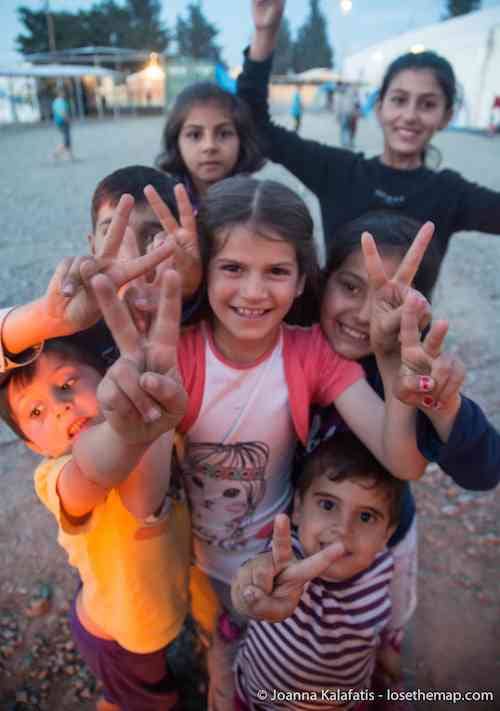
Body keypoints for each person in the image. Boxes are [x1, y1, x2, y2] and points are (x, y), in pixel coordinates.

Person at [168, 175, 434, 709]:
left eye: (276, 272)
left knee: (280, 660)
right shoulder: (178, 352)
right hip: (196, 555)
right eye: (233, 268)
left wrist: (389, 358)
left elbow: (402, 461)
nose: (253, 291)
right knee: (217, 635)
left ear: (300, 281)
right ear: (205, 271)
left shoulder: (311, 354)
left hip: (281, 557)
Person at [315, 210, 500, 688]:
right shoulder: (297, 348)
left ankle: (385, 652)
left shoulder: (407, 371)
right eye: (350, 287)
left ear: (422, 309)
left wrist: (442, 405)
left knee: (382, 627)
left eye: (388, 299)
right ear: (321, 280)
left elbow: (484, 471)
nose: (362, 314)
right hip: (307, 533)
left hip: (388, 544)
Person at [0, 269, 195, 711]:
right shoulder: (56, 477)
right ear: (32, 446)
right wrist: (132, 433)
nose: (61, 405)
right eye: (36, 411)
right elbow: (96, 473)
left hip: (146, 612)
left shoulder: (147, 423)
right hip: (118, 637)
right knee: (145, 701)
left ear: (105, 376)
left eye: (68, 383)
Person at [237, 0, 500, 293]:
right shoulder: (338, 172)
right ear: (379, 107)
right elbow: (255, 124)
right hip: (332, 335)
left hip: (404, 338)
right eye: (399, 100)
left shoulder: (451, 194)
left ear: (446, 117)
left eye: (427, 104)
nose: (410, 116)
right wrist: (265, 31)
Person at [231, 432, 407, 710]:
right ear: (298, 509)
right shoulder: (285, 555)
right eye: (328, 505)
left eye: (365, 516)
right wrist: (253, 588)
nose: (343, 529)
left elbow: (380, 625)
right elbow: (252, 581)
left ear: (387, 535)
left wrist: (387, 654)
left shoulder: (384, 570)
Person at [155, 82, 265, 208]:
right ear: (176, 141)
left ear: (242, 140)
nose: (209, 146)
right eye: (195, 135)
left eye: (224, 134)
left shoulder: (260, 206)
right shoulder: (159, 207)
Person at [52, 89, 74, 161]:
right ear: (60, 93)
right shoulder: (59, 102)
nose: (64, 94)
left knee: (68, 139)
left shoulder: (58, 102)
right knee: (66, 140)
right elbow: (62, 113)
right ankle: (56, 153)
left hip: (61, 122)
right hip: (62, 122)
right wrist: (68, 120)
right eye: (63, 93)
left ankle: (70, 156)